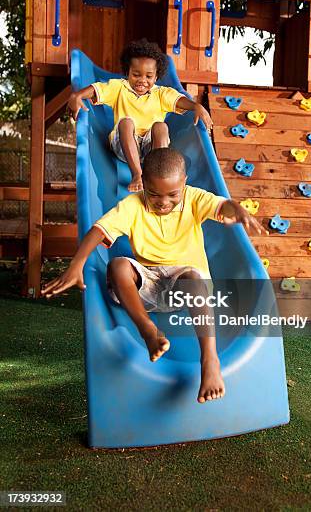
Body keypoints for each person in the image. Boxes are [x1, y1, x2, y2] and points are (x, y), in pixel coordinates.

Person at [42, 148, 268, 403]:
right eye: (153, 194)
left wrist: (235, 208)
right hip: (147, 284)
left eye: (173, 194)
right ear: (143, 184)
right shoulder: (132, 205)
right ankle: (148, 330)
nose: (163, 202)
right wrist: (76, 264)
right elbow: (99, 229)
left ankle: (209, 359)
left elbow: (221, 205)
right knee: (117, 265)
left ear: (184, 183)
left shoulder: (194, 199)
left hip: (185, 288)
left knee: (194, 278)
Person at [67, 39, 212, 192]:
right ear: (127, 72)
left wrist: (197, 106)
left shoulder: (161, 93)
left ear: (156, 77)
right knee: (126, 123)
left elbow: (180, 101)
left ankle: (158, 174)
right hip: (124, 147)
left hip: (152, 149)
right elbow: (96, 90)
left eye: (149, 76)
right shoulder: (119, 88)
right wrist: (77, 96)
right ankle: (137, 174)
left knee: (161, 126)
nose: (142, 80)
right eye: (136, 74)